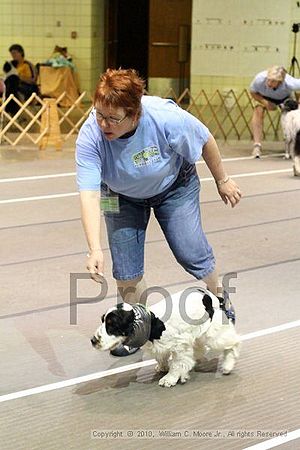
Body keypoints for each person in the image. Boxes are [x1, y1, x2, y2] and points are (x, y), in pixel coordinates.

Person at [76, 68, 242, 357]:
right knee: (125, 270)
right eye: (99, 114)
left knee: (190, 251)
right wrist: (94, 248)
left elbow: (205, 139)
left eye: (113, 118)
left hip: (175, 185)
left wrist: (222, 179)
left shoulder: (164, 117)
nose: (104, 124)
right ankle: (139, 330)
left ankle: (220, 298)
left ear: (134, 114)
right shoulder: (91, 134)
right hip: (117, 195)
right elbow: (89, 193)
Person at [249, 65, 300, 158]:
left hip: (284, 98)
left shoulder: (290, 83)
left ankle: (295, 145)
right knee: (258, 111)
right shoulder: (259, 79)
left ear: (280, 82)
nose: (269, 82)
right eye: (268, 79)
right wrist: (265, 103)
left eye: (273, 81)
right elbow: (252, 92)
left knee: (296, 117)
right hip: (263, 96)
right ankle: (257, 146)